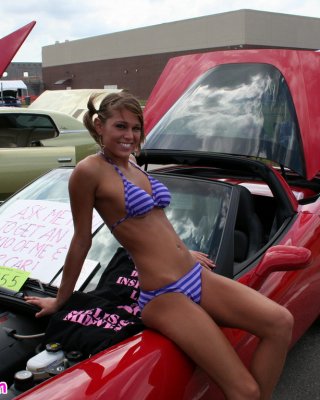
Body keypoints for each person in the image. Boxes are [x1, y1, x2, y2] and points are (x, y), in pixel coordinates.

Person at [25, 91, 293, 400]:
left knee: (280, 323)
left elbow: (154, 223)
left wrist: (181, 250)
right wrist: (62, 299)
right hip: (163, 295)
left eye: (135, 128)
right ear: (99, 126)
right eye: (120, 126)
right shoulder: (89, 172)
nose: (130, 135)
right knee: (243, 390)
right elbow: (81, 239)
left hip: (194, 274)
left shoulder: (135, 165)